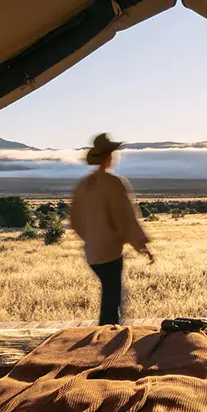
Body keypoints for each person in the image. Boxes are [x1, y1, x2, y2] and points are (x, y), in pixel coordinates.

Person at [70, 133, 153, 325]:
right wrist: (140, 244)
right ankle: (109, 340)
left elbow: (74, 220)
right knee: (112, 298)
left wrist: (92, 237)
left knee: (110, 294)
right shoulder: (113, 182)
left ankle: (108, 334)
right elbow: (126, 217)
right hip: (109, 252)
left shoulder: (83, 185)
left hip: (92, 251)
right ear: (110, 157)